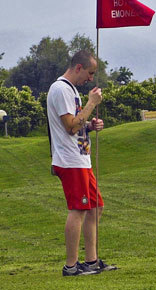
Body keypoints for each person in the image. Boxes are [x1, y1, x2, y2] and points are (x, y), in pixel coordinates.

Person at [47, 50, 115, 276]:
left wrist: (89, 126)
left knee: (96, 207)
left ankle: (91, 261)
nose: (91, 78)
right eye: (90, 73)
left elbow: (77, 125)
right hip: (70, 161)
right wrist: (91, 104)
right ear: (78, 67)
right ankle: (71, 266)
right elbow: (69, 126)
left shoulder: (71, 90)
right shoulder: (61, 89)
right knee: (78, 210)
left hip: (81, 158)